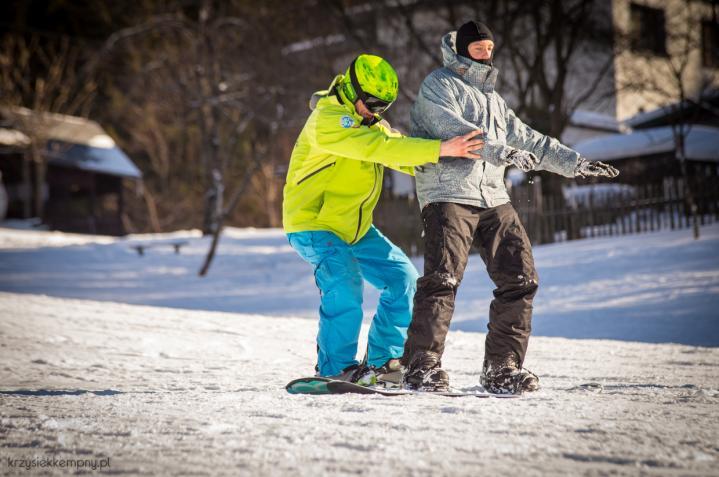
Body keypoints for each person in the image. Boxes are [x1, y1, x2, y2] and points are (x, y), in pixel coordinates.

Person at [401, 21, 619, 393]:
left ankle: (502, 367)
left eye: (489, 47)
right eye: (478, 48)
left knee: (521, 278)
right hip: (448, 193)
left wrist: (575, 163)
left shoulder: (495, 101)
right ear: (462, 49)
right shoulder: (439, 85)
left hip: (492, 195)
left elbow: (533, 140)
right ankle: (421, 366)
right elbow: (457, 132)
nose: (486, 53)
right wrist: (506, 153)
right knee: (443, 280)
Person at [282, 54, 487, 384]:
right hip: (313, 224)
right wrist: (440, 148)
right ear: (351, 89)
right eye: (371, 103)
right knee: (345, 280)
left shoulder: (369, 124)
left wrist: (454, 164)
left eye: (382, 107)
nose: (375, 112)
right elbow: (379, 149)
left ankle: (383, 361)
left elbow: (401, 151)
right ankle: (335, 367)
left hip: (354, 228)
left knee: (402, 279)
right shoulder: (329, 121)